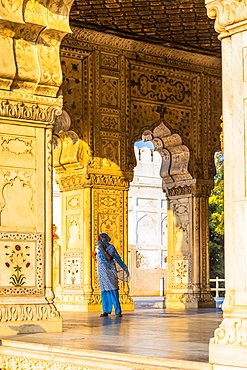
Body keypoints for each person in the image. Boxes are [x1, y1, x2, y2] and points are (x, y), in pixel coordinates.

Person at [92, 233, 129, 317]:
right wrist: (97, 260)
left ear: (104, 239)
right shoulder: (97, 248)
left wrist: (103, 249)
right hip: (102, 272)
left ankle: (117, 311)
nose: (98, 241)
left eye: (100, 239)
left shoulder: (110, 248)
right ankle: (106, 310)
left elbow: (109, 258)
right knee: (104, 290)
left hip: (110, 271)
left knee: (113, 289)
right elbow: (93, 253)